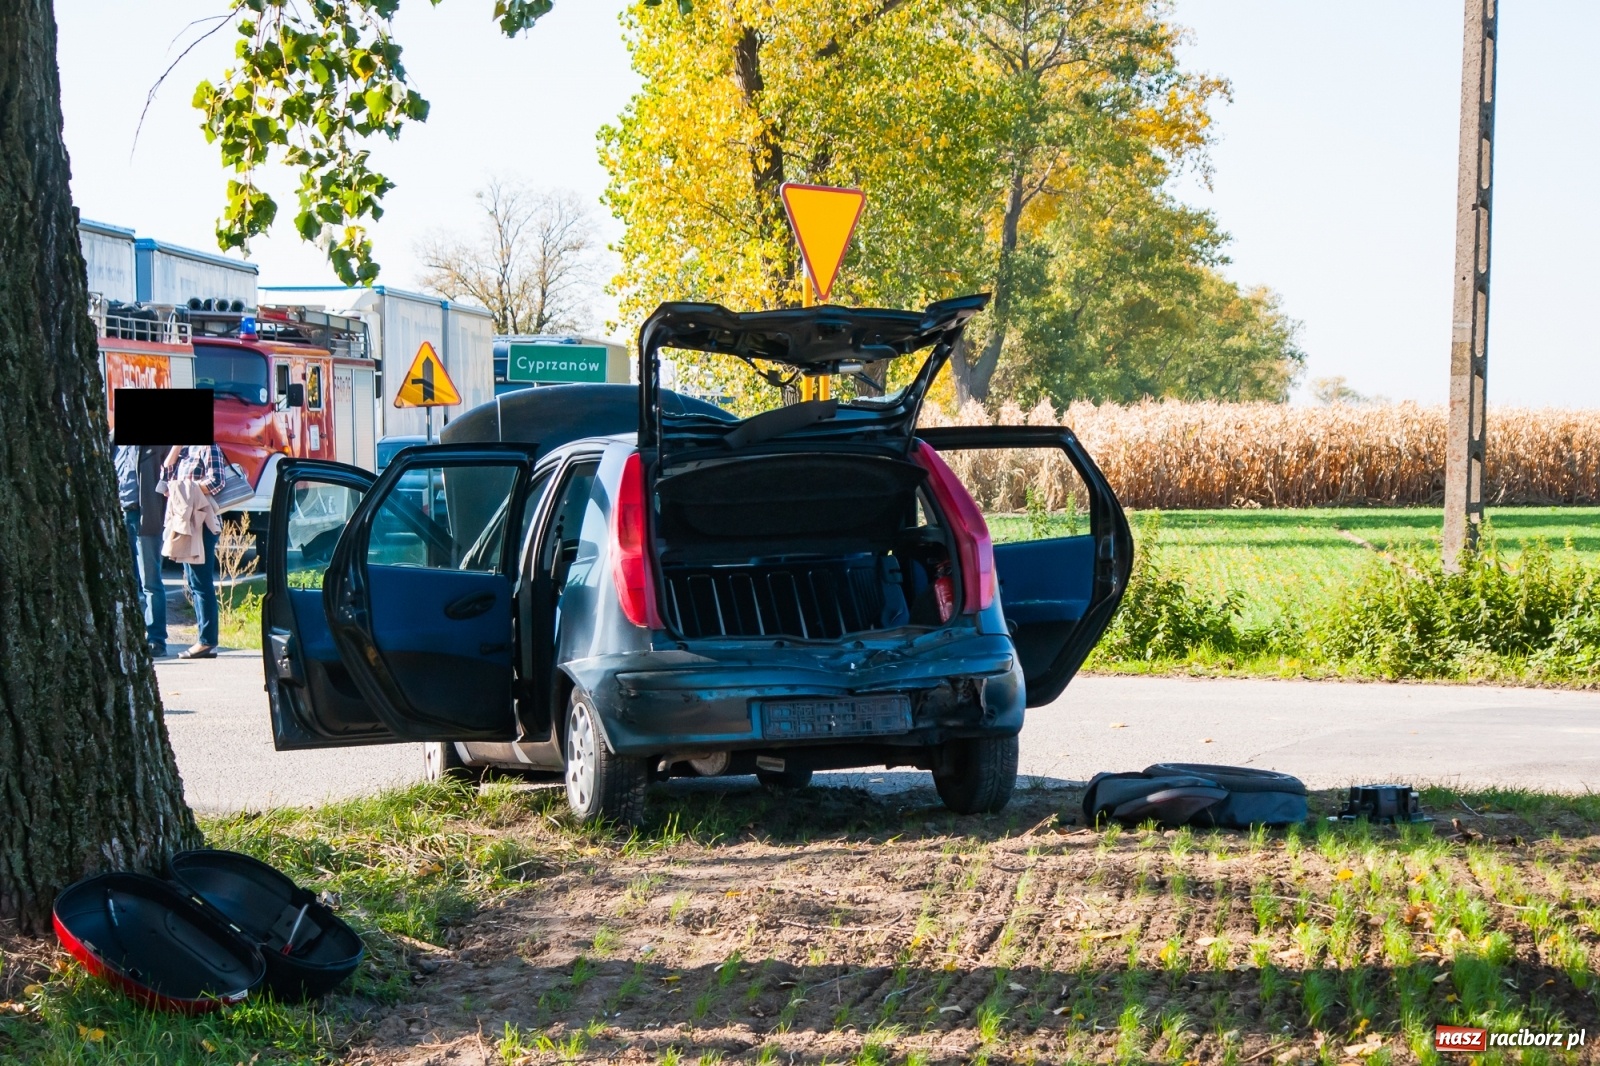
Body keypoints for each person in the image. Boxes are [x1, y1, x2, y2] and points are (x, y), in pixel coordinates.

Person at [162, 443, 227, 659]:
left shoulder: (208, 448)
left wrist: (187, 488)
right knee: (193, 581)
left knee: (200, 582)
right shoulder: (185, 451)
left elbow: (217, 482)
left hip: (203, 523)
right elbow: (166, 477)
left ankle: (207, 641)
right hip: (187, 522)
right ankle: (204, 640)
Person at [115, 444, 171, 657]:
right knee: (126, 581)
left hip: (145, 517)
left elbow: (172, 469)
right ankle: (133, 637)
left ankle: (157, 639)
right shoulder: (114, 441)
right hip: (120, 513)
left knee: (150, 582)